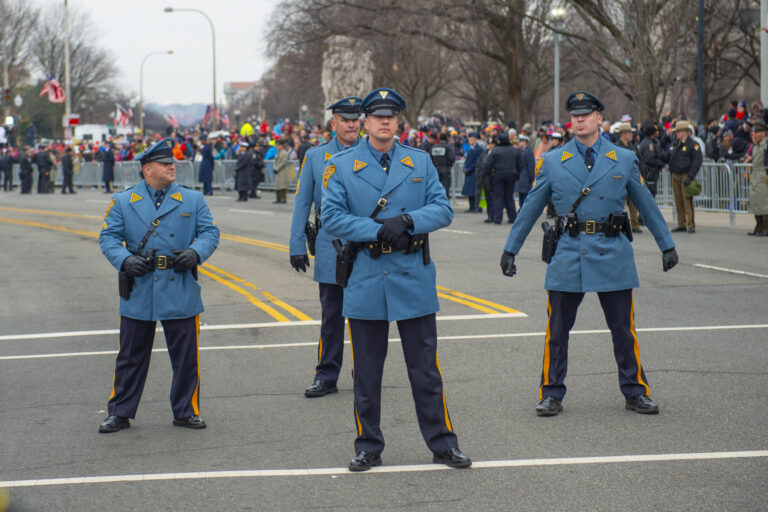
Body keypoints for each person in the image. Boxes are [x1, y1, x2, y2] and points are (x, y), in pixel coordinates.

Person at [499, 91, 679, 417]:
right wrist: (510, 249)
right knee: (557, 331)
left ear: (599, 118)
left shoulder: (623, 158)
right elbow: (530, 208)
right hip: (569, 250)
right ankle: (551, 392)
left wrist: (666, 244)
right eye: (575, 115)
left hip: (612, 250)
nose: (579, 119)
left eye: (586, 114)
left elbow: (645, 204)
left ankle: (635, 390)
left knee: (624, 330)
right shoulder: (554, 161)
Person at [322, 87, 471, 471]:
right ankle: (368, 445)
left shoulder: (418, 162)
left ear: (398, 121)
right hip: (368, 273)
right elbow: (333, 218)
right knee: (367, 373)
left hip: (411, 273)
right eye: (377, 116)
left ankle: (442, 443)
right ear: (366, 122)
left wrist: (407, 220)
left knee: (425, 370)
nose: (385, 121)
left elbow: (443, 209)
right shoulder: (341, 165)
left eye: (391, 116)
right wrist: (377, 229)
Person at [98, 137, 220, 433]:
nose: (171, 167)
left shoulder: (192, 199)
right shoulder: (124, 201)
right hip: (139, 285)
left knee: (186, 357)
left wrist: (196, 252)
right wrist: (125, 260)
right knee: (130, 356)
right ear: (147, 169)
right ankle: (120, 411)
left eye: (173, 163)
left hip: (179, 284)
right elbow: (109, 238)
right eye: (165, 164)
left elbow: (210, 232)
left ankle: (186, 410)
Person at [289, 96, 363, 397]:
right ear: (334, 123)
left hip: (364, 242)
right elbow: (302, 202)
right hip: (330, 243)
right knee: (331, 314)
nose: (351, 124)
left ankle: (365, 374)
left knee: (366, 314)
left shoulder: (373, 152)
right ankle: (327, 375)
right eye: (345, 119)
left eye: (355, 119)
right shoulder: (316, 157)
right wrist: (296, 244)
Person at [664, 121, 703, 233]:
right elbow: (666, 156)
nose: (676, 134)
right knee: (678, 201)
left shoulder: (693, 145)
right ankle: (681, 223)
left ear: (686, 132)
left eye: (678, 132)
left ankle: (690, 224)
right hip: (675, 175)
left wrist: (690, 176)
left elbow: (697, 161)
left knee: (687, 201)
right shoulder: (675, 144)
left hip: (686, 174)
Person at [484, 131, 524, 224]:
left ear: (499, 141)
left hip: (498, 174)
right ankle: (513, 217)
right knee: (509, 196)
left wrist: (488, 175)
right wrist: (517, 174)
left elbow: (488, 165)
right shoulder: (515, 150)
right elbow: (521, 164)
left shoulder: (495, 151)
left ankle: (497, 219)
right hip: (511, 174)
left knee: (498, 196)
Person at [615, 123, 641, 232]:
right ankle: (619, 224)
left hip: (631, 178)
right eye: (630, 133)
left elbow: (639, 161)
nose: (632, 135)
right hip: (619, 179)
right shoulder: (615, 147)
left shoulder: (632, 147)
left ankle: (635, 225)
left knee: (633, 203)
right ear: (623, 134)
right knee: (619, 203)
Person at [745, 120, 768, 236]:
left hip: (764, 175)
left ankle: (765, 227)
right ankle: (758, 226)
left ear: (763, 133)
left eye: (757, 132)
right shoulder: (756, 145)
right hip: (755, 176)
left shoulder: (766, 145)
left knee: (764, 203)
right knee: (755, 202)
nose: (755, 134)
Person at [637, 122, 664, 197]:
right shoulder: (649, 144)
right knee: (649, 195)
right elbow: (649, 159)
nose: (658, 132)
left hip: (651, 173)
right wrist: (660, 164)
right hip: (648, 174)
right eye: (656, 131)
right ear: (653, 133)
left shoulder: (652, 142)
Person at [461, 132, 483, 212]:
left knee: (475, 190)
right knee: (469, 191)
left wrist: (469, 169)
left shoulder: (479, 149)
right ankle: (471, 207)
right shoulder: (470, 149)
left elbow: (477, 162)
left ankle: (477, 207)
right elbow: (467, 161)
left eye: (472, 139)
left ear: (476, 140)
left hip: (475, 172)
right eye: (469, 139)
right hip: (469, 172)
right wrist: (465, 168)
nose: (471, 141)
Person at [430, 133, 456, 197]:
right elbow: (452, 158)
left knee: (435, 186)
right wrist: (449, 164)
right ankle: (445, 201)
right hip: (445, 168)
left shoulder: (433, 147)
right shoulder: (448, 147)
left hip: (435, 169)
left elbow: (430, 158)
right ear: (447, 138)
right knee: (445, 186)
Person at [515, 134, 536, 208]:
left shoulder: (528, 152)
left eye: (520, 141)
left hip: (526, 178)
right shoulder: (521, 151)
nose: (519, 143)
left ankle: (524, 211)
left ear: (524, 142)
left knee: (525, 197)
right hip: (521, 179)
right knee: (521, 197)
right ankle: (522, 210)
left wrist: (531, 178)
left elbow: (530, 166)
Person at [273, 137, 293, 203]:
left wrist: (277, 168)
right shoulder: (278, 152)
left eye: (278, 145)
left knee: (282, 186)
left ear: (281, 146)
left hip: (282, 170)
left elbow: (283, 162)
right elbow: (275, 161)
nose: (277, 146)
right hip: (278, 170)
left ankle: (283, 199)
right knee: (277, 185)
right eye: (276, 145)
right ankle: (278, 199)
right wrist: (275, 168)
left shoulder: (284, 153)